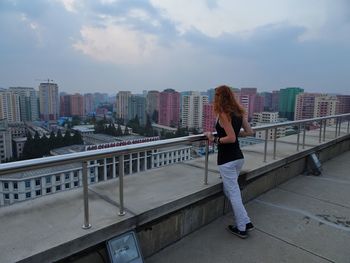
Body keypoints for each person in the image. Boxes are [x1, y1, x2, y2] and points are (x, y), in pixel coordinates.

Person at [205, 85, 255, 239]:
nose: (215, 98)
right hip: (238, 157)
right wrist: (233, 132)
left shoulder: (223, 113)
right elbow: (250, 132)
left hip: (226, 160)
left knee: (233, 193)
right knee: (232, 190)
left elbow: (231, 138)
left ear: (220, 97)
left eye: (216, 95)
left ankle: (241, 228)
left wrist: (214, 139)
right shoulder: (238, 113)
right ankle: (246, 221)